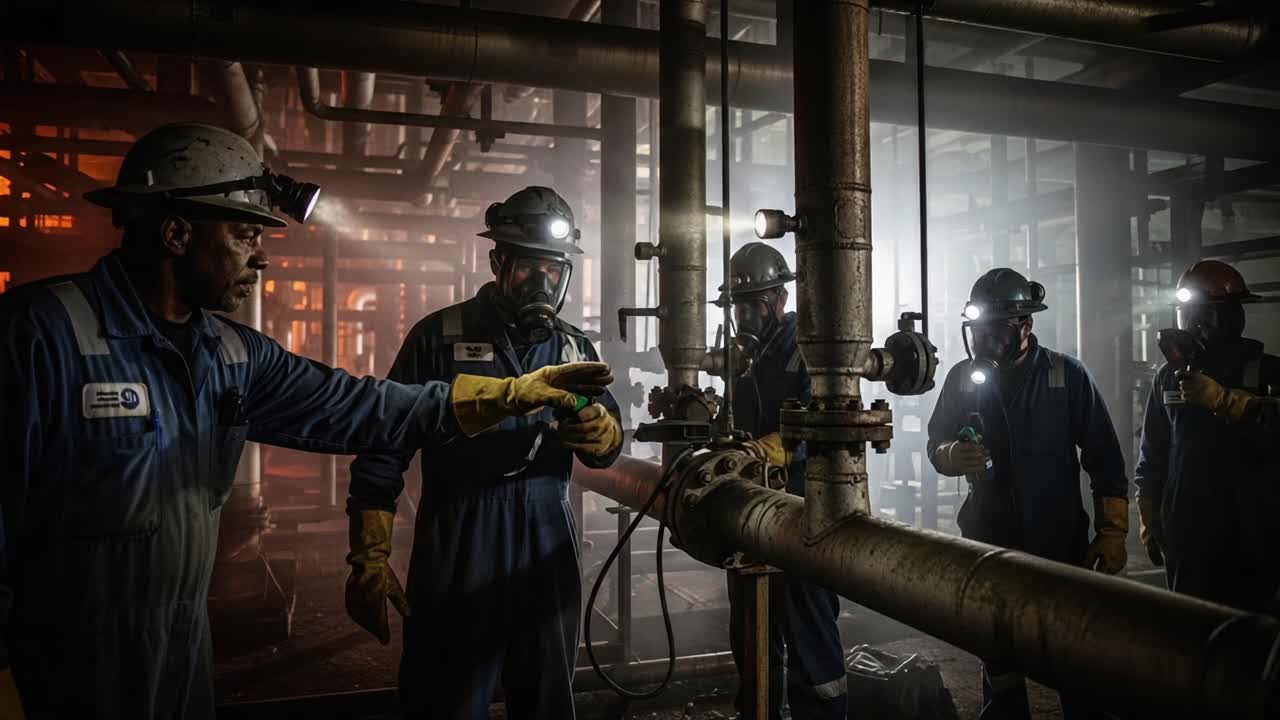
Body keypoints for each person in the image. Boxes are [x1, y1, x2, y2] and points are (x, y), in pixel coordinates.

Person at [0, 125, 613, 720]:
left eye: (554, 268)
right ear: (177, 232)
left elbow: (360, 407)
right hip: (66, 648)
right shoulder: (41, 338)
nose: (262, 257)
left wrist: (544, 410)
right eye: (246, 234)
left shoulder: (232, 354)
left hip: (183, 637)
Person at [346, 186, 624, 719]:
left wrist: (604, 433)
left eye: (554, 270)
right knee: (446, 697)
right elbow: (384, 442)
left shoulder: (574, 348)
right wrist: (369, 553)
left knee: (546, 696)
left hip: (546, 531)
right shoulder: (437, 337)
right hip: (460, 533)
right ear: (498, 263)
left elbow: (607, 448)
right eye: (528, 268)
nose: (542, 283)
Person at [926, 268, 1128, 720]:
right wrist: (949, 455)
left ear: (1025, 326)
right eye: (977, 330)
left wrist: (1112, 531)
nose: (982, 341)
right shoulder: (963, 377)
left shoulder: (1066, 376)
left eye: (994, 331)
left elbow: (1105, 457)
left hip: (1058, 547)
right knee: (999, 657)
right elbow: (936, 441)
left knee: (1073, 658)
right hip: (988, 542)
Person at [717, 243, 847, 720]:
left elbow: (819, 421)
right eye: (739, 305)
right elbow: (733, 421)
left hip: (804, 512)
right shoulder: (747, 359)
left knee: (809, 631)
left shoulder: (808, 349)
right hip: (750, 509)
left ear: (780, 299)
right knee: (752, 633)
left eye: (754, 303)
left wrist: (768, 448)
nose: (745, 315)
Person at [1135, 260, 1280, 613]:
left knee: (1253, 632)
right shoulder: (1169, 377)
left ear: (1231, 315)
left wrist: (1226, 401)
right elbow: (1154, 452)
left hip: (1254, 534)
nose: (1195, 323)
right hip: (1189, 532)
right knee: (1190, 630)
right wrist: (1149, 514)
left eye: (1206, 312)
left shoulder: (1268, 371)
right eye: (1188, 312)